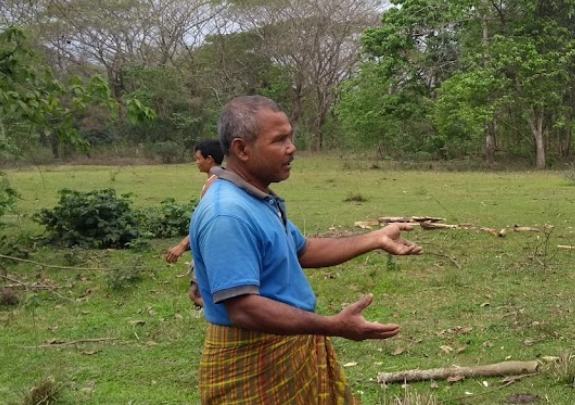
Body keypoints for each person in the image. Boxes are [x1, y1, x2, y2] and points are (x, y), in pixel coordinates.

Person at [190, 95, 422, 404]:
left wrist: (375, 239)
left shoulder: (256, 199)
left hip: (288, 349)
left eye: (290, 136)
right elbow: (244, 308)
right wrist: (333, 326)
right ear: (241, 148)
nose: (292, 148)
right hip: (253, 360)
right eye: (279, 140)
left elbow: (302, 251)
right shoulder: (227, 215)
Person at [165, 139, 224, 307]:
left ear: (209, 159)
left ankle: (220, 313)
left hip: (214, 243)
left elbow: (207, 222)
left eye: (198, 158)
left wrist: (183, 245)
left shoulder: (214, 184)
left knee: (196, 294)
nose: (196, 162)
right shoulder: (221, 178)